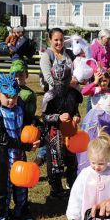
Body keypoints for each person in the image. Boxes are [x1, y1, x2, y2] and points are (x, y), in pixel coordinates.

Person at [0, 72, 40, 220]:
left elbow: (29, 123)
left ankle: (21, 211)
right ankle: (1, 216)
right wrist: (24, 146)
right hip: (4, 157)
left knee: (21, 185)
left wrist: (36, 128)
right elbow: (3, 139)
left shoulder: (20, 109)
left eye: (14, 96)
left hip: (20, 156)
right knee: (3, 188)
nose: (11, 100)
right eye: (7, 96)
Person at [0, 60, 38, 190]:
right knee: (3, 154)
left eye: (21, 75)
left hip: (21, 127)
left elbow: (30, 113)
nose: (18, 78)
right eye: (15, 75)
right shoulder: (5, 87)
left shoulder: (28, 94)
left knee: (18, 157)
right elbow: (0, 108)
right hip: (6, 127)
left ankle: (18, 181)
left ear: (26, 75)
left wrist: (31, 125)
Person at [42, 56, 83, 199]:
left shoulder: (74, 94)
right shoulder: (49, 96)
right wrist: (57, 117)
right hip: (55, 132)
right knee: (55, 162)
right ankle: (56, 189)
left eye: (64, 80)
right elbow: (45, 117)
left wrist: (76, 116)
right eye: (58, 80)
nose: (61, 84)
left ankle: (73, 186)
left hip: (70, 131)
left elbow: (75, 109)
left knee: (72, 161)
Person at [77, 69, 110, 173]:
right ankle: (90, 162)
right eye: (100, 81)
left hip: (108, 121)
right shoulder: (94, 90)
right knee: (94, 141)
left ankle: (107, 162)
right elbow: (83, 91)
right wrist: (94, 82)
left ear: (109, 80)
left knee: (107, 141)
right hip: (94, 120)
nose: (102, 83)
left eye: (105, 80)